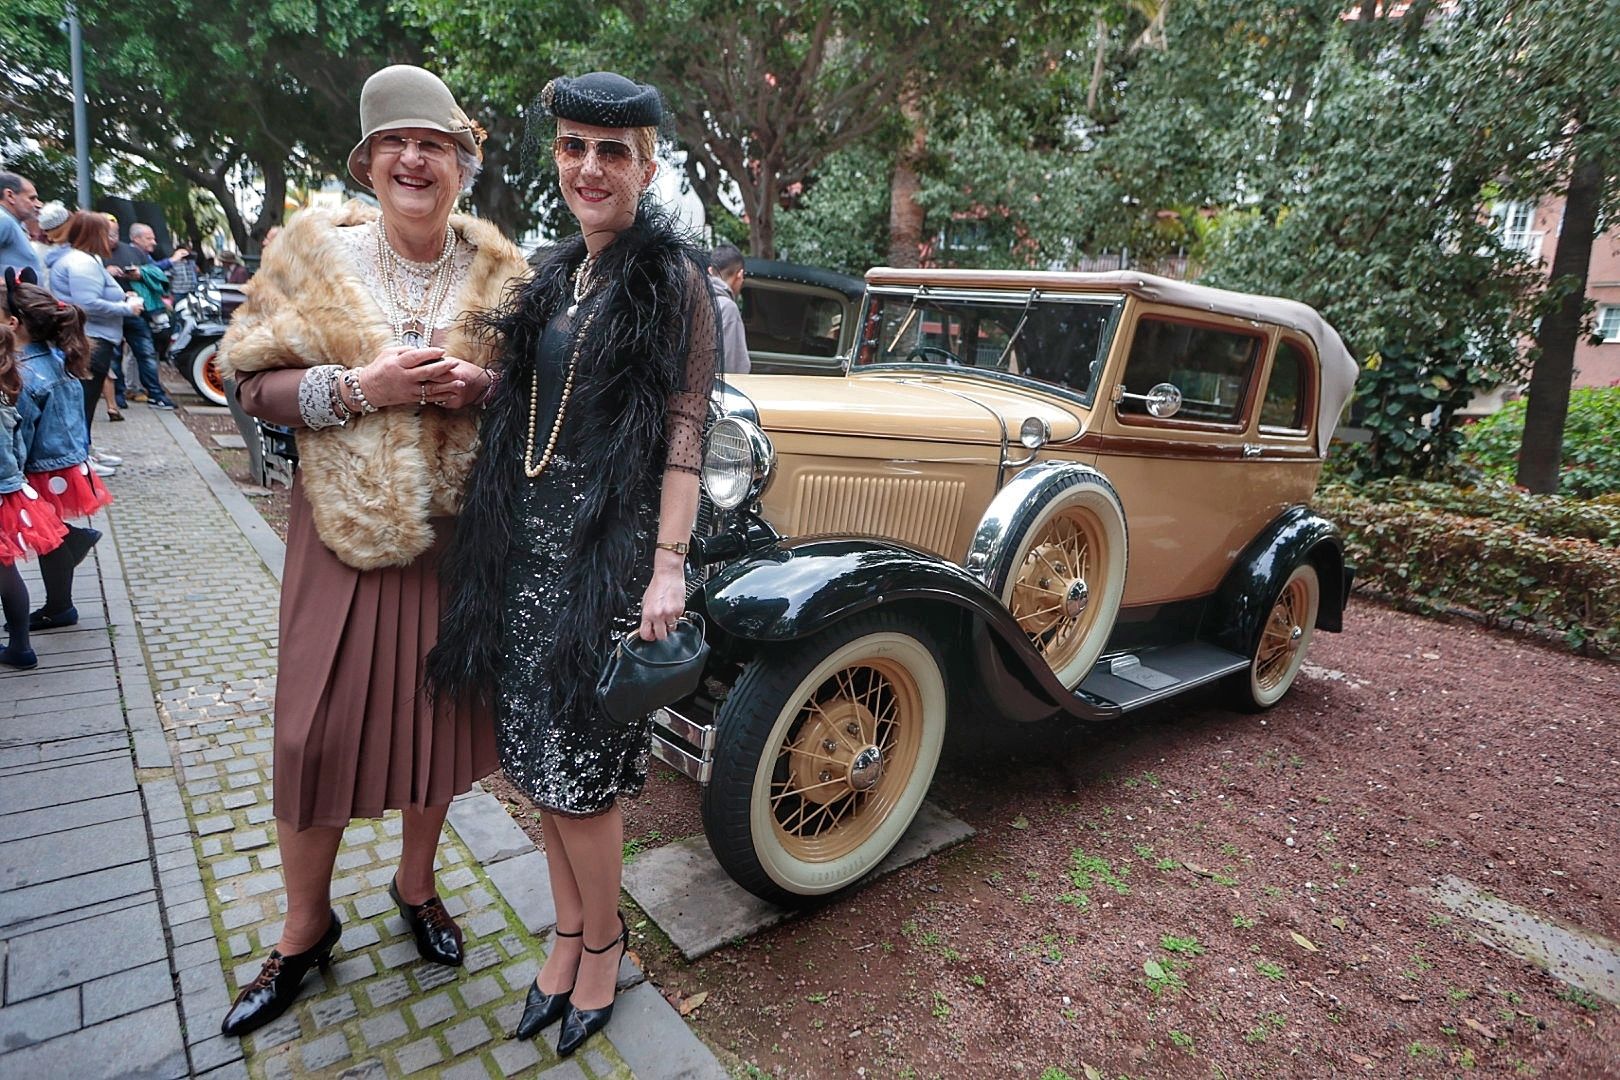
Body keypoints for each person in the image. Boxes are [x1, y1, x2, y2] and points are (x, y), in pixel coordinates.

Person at [214, 64, 527, 1039]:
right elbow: (246, 384)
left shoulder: (506, 280)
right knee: (310, 737)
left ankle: (415, 884)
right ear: (366, 161)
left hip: (452, 540)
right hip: (342, 540)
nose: (413, 157)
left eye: (433, 143)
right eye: (395, 142)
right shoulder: (312, 257)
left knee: (436, 734)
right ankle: (305, 930)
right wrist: (362, 388)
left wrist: (483, 393)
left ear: (461, 166)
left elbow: (540, 405)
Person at [429, 71, 717, 1059]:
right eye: (572, 148)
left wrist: (668, 566)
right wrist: (485, 385)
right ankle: (565, 935)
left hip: (605, 562)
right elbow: (539, 402)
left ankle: (606, 943)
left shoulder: (674, 283)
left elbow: (686, 433)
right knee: (537, 769)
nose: (589, 168)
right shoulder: (556, 274)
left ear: (644, 164)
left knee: (583, 781)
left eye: (612, 151)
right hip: (524, 555)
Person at [2, 269, 110, 632]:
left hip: (40, 466)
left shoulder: (26, 373)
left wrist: (13, 476)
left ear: (14, 323)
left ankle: (60, 603)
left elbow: (21, 430)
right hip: (66, 462)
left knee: (45, 534)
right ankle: (61, 599)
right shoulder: (59, 359)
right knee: (49, 531)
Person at [0, 316, 70, 668]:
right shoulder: (8, 392)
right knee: (5, 568)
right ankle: (20, 644)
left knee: (5, 571)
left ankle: (21, 646)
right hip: (9, 490)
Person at [46, 212, 142, 445]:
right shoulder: (82, 263)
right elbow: (87, 304)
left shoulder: (83, 260)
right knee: (84, 404)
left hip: (91, 338)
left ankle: (84, 455)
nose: (111, 239)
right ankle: (81, 458)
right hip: (91, 340)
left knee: (84, 403)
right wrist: (127, 308)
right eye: (106, 233)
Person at [109, 223, 184, 408]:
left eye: (116, 232)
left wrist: (140, 273)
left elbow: (156, 272)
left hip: (136, 311)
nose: (113, 236)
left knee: (146, 352)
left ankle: (155, 393)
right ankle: (117, 395)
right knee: (114, 355)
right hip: (109, 311)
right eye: (109, 233)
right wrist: (106, 272)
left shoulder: (133, 252)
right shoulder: (93, 253)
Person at [707, 242, 750, 374]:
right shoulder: (728, 308)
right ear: (740, 275)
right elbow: (734, 369)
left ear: (709, 271)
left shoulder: (694, 299)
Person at [0, 173, 43, 278]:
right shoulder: (4, 220)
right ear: (10, 196)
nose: (38, 204)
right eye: (32, 198)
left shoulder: (9, 221)